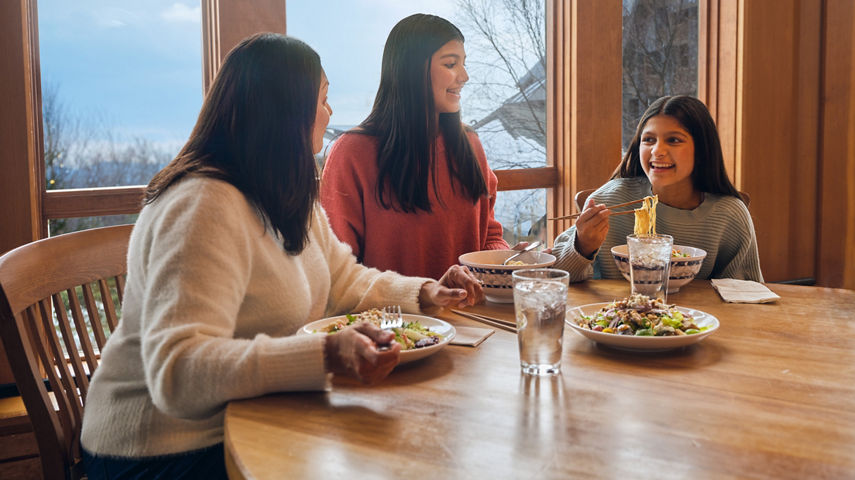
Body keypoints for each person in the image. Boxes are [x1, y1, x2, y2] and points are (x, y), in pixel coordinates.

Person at [80, 33, 482, 479]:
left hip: (260, 416)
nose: (329, 114)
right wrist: (324, 355)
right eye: (323, 99)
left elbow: (345, 283)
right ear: (284, 110)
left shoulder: (282, 193)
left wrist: (426, 291)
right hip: (163, 450)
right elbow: (178, 372)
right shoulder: (202, 204)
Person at [320, 13, 510, 280]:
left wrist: (506, 261)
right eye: (451, 64)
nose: (464, 76)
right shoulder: (352, 153)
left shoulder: (470, 144)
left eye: (464, 64)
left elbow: (489, 235)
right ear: (413, 70)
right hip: (394, 320)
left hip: (473, 318)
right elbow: (340, 272)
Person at [552, 95, 763, 283]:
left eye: (673, 140)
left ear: (701, 151)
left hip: (701, 324)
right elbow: (556, 274)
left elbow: (746, 292)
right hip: (618, 322)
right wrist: (583, 246)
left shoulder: (728, 214)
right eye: (649, 140)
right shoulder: (612, 198)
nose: (657, 151)